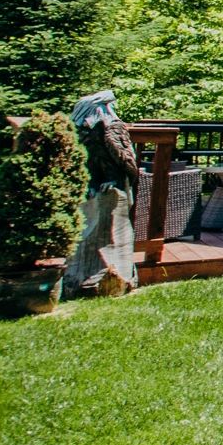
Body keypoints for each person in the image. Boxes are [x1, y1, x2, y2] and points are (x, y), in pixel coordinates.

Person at [66, 90, 140, 295]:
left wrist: (115, 181)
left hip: (115, 182)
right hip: (95, 186)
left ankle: (114, 272)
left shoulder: (111, 128)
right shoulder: (82, 130)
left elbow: (126, 162)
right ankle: (81, 275)